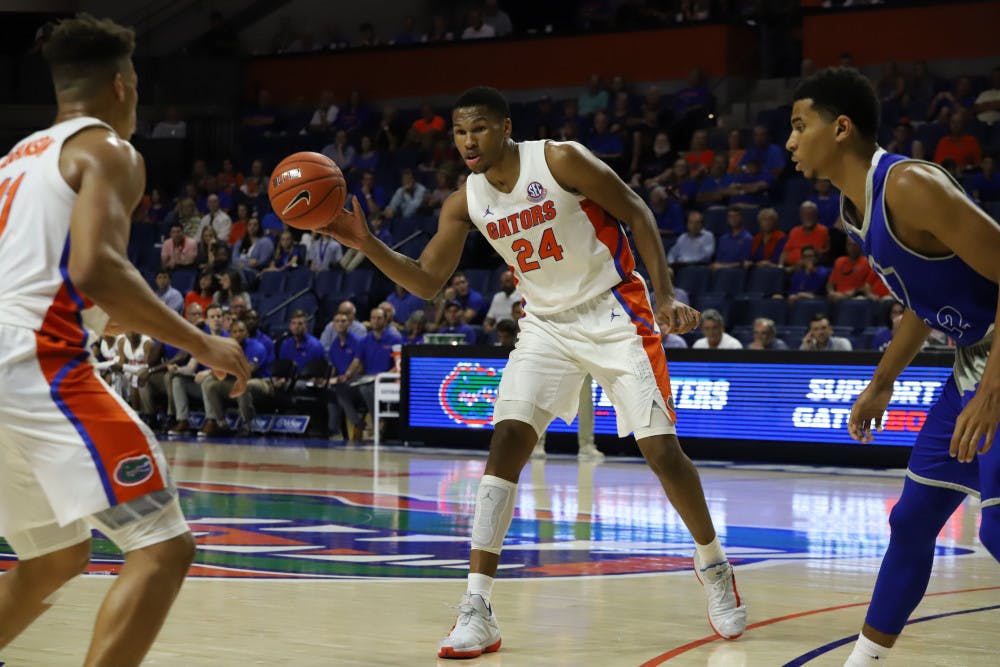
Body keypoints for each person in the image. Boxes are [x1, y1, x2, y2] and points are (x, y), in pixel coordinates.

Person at [313, 85, 746, 659]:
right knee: (507, 442)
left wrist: (665, 295)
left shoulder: (559, 158)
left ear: (505, 128)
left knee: (661, 450)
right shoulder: (463, 200)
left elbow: (636, 211)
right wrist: (365, 241)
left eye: (480, 129)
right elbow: (424, 282)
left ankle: (713, 563)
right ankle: (477, 607)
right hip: (545, 323)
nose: (469, 141)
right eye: (460, 133)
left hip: (616, 310)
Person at [0, 15, 249, 666]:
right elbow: (95, 270)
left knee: (55, 553)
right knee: (163, 543)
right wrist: (206, 344)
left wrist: (105, 314)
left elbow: (64, 281)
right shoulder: (108, 149)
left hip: (11, 351)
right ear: (120, 85)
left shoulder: (14, 161)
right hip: (36, 361)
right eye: (136, 87)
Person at [788, 68, 1000, 667]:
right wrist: (881, 384)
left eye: (801, 125)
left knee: (996, 532)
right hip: (973, 362)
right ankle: (865, 661)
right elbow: (920, 303)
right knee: (910, 520)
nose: (791, 140)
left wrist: (992, 390)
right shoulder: (855, 210)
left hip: (995, 368)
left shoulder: (908, 186)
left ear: (842, 127)